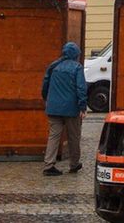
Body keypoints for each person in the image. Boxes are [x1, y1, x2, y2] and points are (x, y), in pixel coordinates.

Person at [40, 41, 87, 176]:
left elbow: (45, 85)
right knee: (74, 136)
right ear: (76, 55)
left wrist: (47, 99)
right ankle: (74, 164)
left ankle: (49, 164)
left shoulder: (54, 66)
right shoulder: (77, 68)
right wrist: (82, 106)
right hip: (71, 108)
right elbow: (81, 88)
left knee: (53, 136)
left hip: (53, 107)